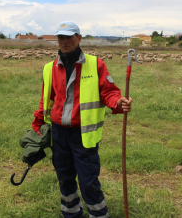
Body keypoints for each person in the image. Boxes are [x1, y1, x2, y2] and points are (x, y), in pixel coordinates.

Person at [32, 21, 132, 218]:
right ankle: (71, 213)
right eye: (60, 37)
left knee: (88, 180)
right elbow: (47, 100)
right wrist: (38, 122)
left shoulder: (96, 64)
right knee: (64, 177)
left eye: (69, 37)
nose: (64, 41)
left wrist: (118, 102)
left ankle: (99, 214)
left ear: (78, 38)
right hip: (59, 134)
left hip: (83, 134)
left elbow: (109, 93)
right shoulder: (49, 68)